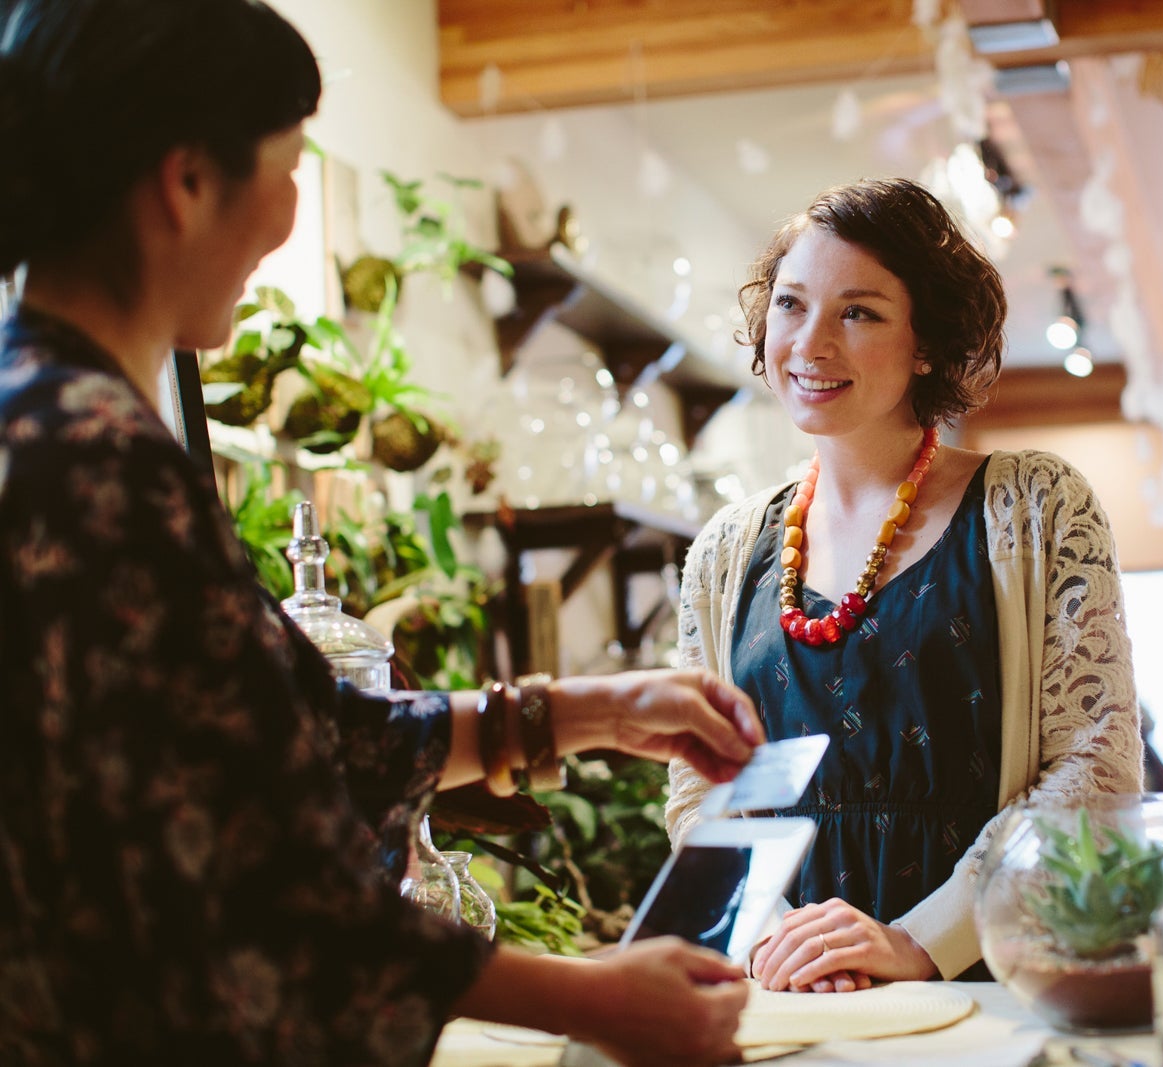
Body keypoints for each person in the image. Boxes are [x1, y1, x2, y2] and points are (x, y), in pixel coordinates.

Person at [0, 2, 761, 1065]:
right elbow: (264, 888)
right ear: (186, 181)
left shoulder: (46, 415)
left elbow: (313, 741)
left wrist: (591, 709)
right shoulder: (96, 466)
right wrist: (593, 998)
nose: (287, 211)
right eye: (291, 158)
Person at [665, 177, 1143, 994]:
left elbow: (1095, 768)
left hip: (985, 982)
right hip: (793, 993)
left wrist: (916, 940)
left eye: (859, 312)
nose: (810, 343)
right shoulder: (724, 551)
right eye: (790, 304)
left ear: (927, 342)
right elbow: (697, 786)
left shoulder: (1034, 503)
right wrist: (777, 936)